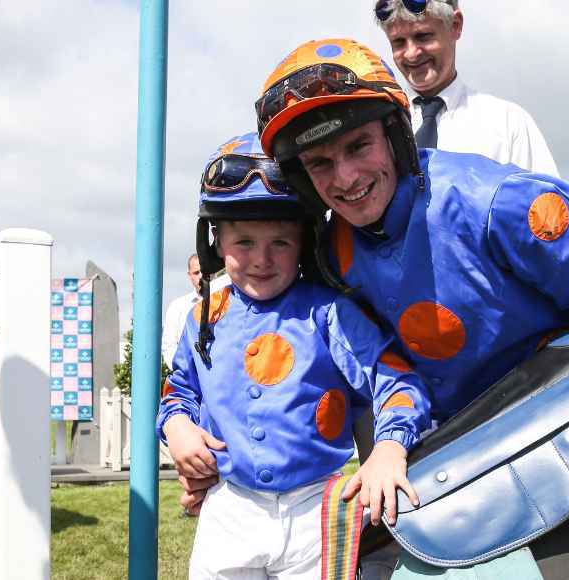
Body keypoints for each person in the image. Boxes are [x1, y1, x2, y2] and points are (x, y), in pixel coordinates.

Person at [253, 38, 569, 578]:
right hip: (447, 463)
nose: (344, 178)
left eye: (358, 147)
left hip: (567, 442)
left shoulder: (506, 206)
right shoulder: (332, 253)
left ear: (395, 136)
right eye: (320, 163)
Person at [157, 132, 432, 579]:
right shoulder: (203, 318)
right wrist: (177, 426)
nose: (261, 259)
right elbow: (179, 392)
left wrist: (388, 447)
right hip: (229, 507)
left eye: (280, 243)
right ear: (215, 244)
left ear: (303, 243)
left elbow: (395, 378)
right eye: (243, 243)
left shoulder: (330, 314)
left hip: (316, 511)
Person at [374, 0, 559, 176]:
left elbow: (549, 204)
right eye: (398, 42)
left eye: (423, 36)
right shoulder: (376, 126)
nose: (411, 53)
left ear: (455, 25)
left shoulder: (508, 124)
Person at [161, 254, 205, 368]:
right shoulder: (177, 307)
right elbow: (168, 346)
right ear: (189, 275)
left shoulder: (227, 301)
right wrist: (184, 371)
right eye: (196, 272)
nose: (201, 276)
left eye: (205, 270)